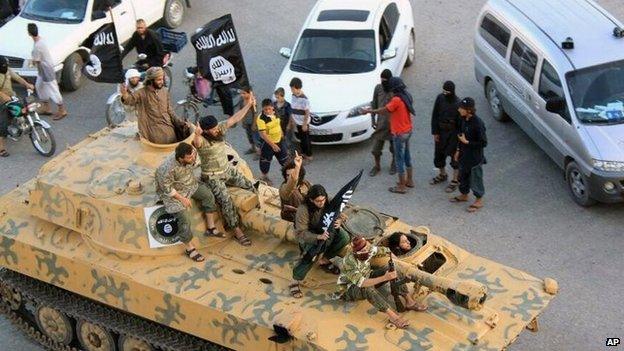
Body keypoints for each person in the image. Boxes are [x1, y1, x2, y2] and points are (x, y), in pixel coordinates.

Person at [192, 95, 259, 247]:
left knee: (250, 185)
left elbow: (234, 119)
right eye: (213, 129)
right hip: (212, 177)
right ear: (206, 131)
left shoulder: (219, 129)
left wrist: (248, 105)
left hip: (227, 170)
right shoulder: (202, 140)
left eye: (216, 127)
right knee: (226, 202)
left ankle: (255, 211)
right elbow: (197, 142)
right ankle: (237, 231)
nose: (216, 130)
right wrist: (196, 133)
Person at [336, 236, 427, 329]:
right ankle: (394, 317)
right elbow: (362, 283)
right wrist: (384, 277)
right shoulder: (349, 262)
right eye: (362, 252)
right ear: (355, 252)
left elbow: (386, 251)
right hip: (350, 289)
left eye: (366, 249)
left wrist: (398, 263)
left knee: (392, 267)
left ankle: (409, 301)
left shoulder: (369, 249)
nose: (366, 253)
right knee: (367, 289)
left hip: (367, 275)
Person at [155, 143, 219, 262]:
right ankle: (189, 248)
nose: (193, 158)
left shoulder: (191, 155)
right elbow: (167, 189)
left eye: (193, 155)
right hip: (174, 194)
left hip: (189, 185)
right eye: (189, 158)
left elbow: (196, 156)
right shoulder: (166, 169)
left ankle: (211, 227)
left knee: (208, 196)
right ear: (180, 158)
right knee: (184, 218)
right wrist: (182, 199)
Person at [289, 184, 350, 298]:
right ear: (311, 200)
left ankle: (324, 259)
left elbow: (342, 214)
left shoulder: (327, 201)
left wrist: (340, 221)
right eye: (318, 201)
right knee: (311, 255)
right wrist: (318, 237)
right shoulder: (304, 210)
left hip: (327, 231)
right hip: (311, 236)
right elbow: (300, 233)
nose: (321, 203)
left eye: (323, 200)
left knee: (344, 238)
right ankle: (295, 280)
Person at [365, 77, 415, 193]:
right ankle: (410, 180)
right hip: (408, 131)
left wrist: (369, 111)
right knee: (407, 156)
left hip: (399, 133)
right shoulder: (406, 95)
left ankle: (401, 186)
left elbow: (384, 110)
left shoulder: (396, 100)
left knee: (399, 159)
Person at [120, 66, 186, 144]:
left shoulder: (164, 91)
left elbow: (170, 110)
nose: (162, 82)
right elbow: (129, 100)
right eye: (159, 80)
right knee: (163, 139)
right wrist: (124, 94)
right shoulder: (142, 93)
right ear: (151, 80)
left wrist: (179, 122)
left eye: (162, 79)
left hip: (167, 124)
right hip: (152, 128)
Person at [450, 97, 487, 213]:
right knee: (463, 176)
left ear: (469, 110)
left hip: (475, 158)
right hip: (464, 155)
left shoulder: (478, 124)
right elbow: (461, 136)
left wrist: (468, 142)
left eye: (461, 108)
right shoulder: (463, 120)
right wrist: (458, 150)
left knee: (476, 178)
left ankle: (479, 200)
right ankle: (464, 194)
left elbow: (483, 142)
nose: (459, 110)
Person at [28, 23, 67, 120]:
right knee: (39, 86)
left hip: (46, 70)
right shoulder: (41, 40)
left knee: (53, 89)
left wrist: (31, 62)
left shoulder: (37, 46)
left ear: (29, 33)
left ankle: (62, 110)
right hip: (43, 70)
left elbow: (36, 61)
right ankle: (47, 108)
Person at [0, 55, 35, 157]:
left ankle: (18, 127)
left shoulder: (6, 70)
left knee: (22, 109)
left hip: (11, 96)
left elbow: (17, 78)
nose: (6, 68)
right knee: (2, 124)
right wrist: (5, 97)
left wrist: (27, 84)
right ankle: (1, 148)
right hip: (1, 101)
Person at [430, 81, 461, 192]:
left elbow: (460, 124)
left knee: (455, 158)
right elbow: (435, 115)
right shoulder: (440, 98)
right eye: (443, 91)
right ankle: (442, 174)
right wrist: (435, 132)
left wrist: (458, 140)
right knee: (439, 154)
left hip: (453, 134)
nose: (445, 93)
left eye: (447, 92)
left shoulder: (458, 104)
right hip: (441, 132)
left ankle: (455, 180)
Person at [369, 69, 396, 177]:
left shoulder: (395, 90)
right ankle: (377, 166)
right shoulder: (378, 88)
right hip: (381, 125)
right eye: (382, 79)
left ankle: (394, 164)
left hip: (393, 125)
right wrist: (373, 120)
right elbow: (374, 104)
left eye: (385, 80)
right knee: (376, 149)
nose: (383, 82)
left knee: (394, 148)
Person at [257, 98, 289, 185]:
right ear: (263, 109)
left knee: (285, 160)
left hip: (279, 140)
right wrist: (273, 145)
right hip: (268, 144)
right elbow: (263, 134)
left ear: (273, 108)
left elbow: (278, 124)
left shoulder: (276, 113)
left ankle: (288, 177)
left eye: (269, 109)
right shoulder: (261, 119)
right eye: (265, 109)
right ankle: (264, 177)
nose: (267, 111)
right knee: (265, 161)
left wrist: (282, 134)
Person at [279, 151, 311, 222]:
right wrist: (297, 167)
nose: (290, 177)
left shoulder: (305, 183)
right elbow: (292, 182)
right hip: (293, 219)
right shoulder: (284, 188)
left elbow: (316, 195)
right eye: (288, 175)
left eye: (293, 174)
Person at [290, 77, 312, 162]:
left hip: (303, 122)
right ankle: (303, 153)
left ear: (297, 88)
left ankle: (309, 155)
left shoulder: (304, 99)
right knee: (302, 139)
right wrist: (292, 119)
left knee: (306, 139)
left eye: (292, 89)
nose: (292, 91)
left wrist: (304, 124)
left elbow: (307, 112)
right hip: (297, 121)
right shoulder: (293, 96)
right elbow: (293, 108)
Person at [274, 87, 295, 156]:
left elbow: (290, 116)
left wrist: (289, 126)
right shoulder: (274, 104)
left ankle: (290, 154)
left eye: (278, 97)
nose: (277, 99)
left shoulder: (287, 105)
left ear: (282, 96)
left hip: (286, 126)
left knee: (288, 140)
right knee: (280, 140)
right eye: (276, 97)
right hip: (277, 126)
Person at [239, 86, 260, 156]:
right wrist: (242, 121)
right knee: (249, 136)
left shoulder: (253, 102)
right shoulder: (242, 100)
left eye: (244, 93)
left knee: (256, 137)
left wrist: (254, 124)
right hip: (246, 122)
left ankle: (259, 152)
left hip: (253, 123)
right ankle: (253, 148)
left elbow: (256, 114)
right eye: (241, 93)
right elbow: (241, 111)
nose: (242, 95)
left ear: (249, 93)